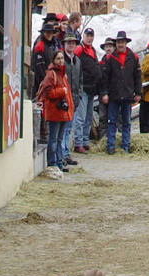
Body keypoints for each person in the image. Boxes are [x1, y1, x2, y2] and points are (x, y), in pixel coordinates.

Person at [100, 31, 142, 154]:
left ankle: (125, 145)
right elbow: (105, 78)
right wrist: (104, 93)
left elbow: (137, 76)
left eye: (122, 42)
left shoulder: (133, 57)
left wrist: (138, 92)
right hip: (113, 95)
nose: (120, 45)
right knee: (111, 121)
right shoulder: (110, 58)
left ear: (126, 43)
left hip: (128, 94)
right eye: (118, 42)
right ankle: (111, 145)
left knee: (126, 122)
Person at [37, 50, 74, 174]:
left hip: (62, 112)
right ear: (53, 60)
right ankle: (52, 163)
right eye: (58, 58)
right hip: (54, 112)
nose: (60, 60)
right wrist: (61, 91)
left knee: (59, 139)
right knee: (53, 139)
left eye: (62, 58)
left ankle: (59, 162)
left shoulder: (63, 74)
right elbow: (48, 93)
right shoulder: (51, 74)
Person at [32, 22, 61, 143]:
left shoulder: (52, 46)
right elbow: (39, 67)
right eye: (47, 32)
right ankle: (41, 135)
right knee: (41, 108)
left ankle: (45, 135)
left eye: (51, 32)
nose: (49, 34)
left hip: (50, 80)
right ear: (44, 33)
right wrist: (45, 82)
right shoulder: (40, 46)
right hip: (42, 82)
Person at [74, 27, 100, 153]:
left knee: (88, 117)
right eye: (87, 35)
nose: (89, 38)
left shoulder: (92, 50)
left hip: (91, 89)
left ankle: (85, 141)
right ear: (83, 37)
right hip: (83, 88)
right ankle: (78, 142)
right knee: (80, 117)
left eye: (91, 36)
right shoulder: (79, 49)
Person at [61, 33, 82, 166]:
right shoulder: (61, 59)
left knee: (69, 128)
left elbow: (80, 79)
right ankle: (62, 154)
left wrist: (79, 94)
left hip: (74, 99)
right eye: (68, 43)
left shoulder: (77, 60)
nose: (71, 45)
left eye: (73, 43)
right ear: (64, 44)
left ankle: (66, 153)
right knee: (63, 129)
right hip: (63, 100)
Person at [97, 37, 116, 140]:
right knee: (103, 118)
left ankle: (114, 138)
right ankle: (103, 139)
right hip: (103, 94)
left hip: (115, 95)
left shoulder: (117, 62)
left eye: (110, 46)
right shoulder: (101, 63)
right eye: (107, 46)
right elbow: (100, 80)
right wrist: (103, 93)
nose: (109, 48)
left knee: (115, 118)